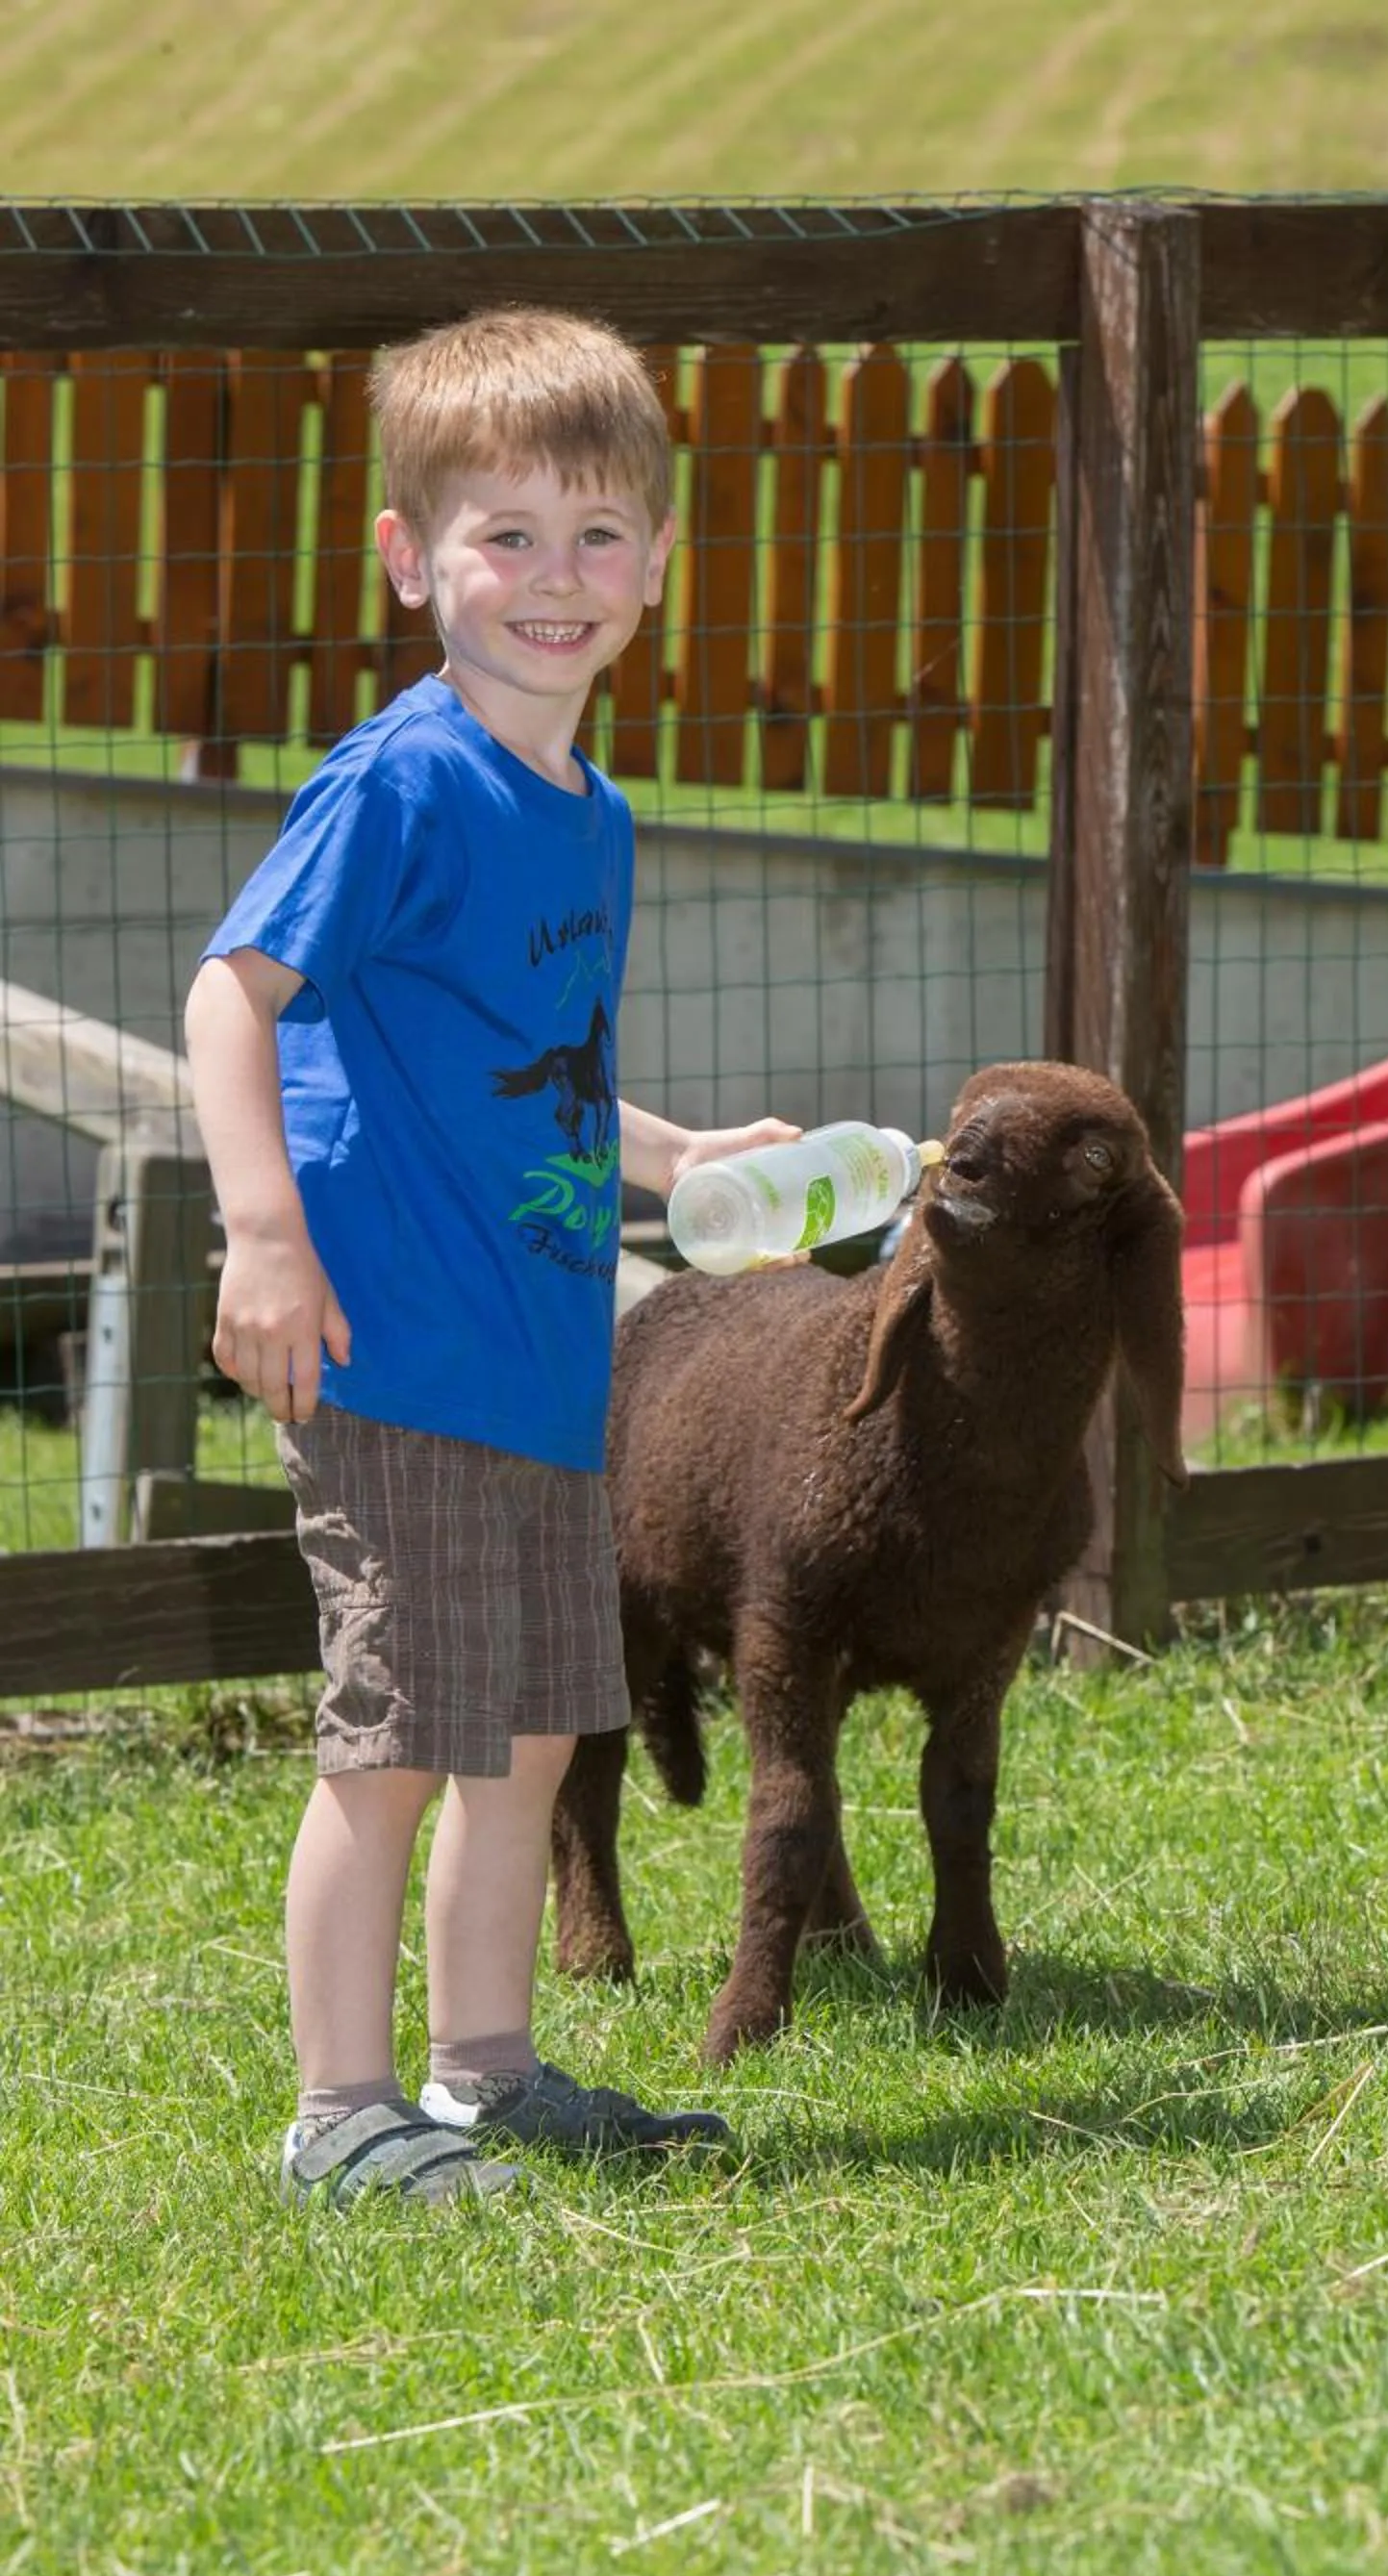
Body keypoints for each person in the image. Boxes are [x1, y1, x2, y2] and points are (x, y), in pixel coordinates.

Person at [184, 308, 798, 2205]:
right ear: (408, 560)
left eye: (597, 534)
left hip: (545, 1367)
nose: (554, 579)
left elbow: (523, 1081)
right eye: (502, 535)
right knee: (393, 1743)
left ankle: (482, 2073)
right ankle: (336, 2114)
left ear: (660, 565)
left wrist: (676, 1151)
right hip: (399, 1350)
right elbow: (232, 993)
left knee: (525, 1739)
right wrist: (265, 1238)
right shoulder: (400, 781)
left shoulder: (586, 812)